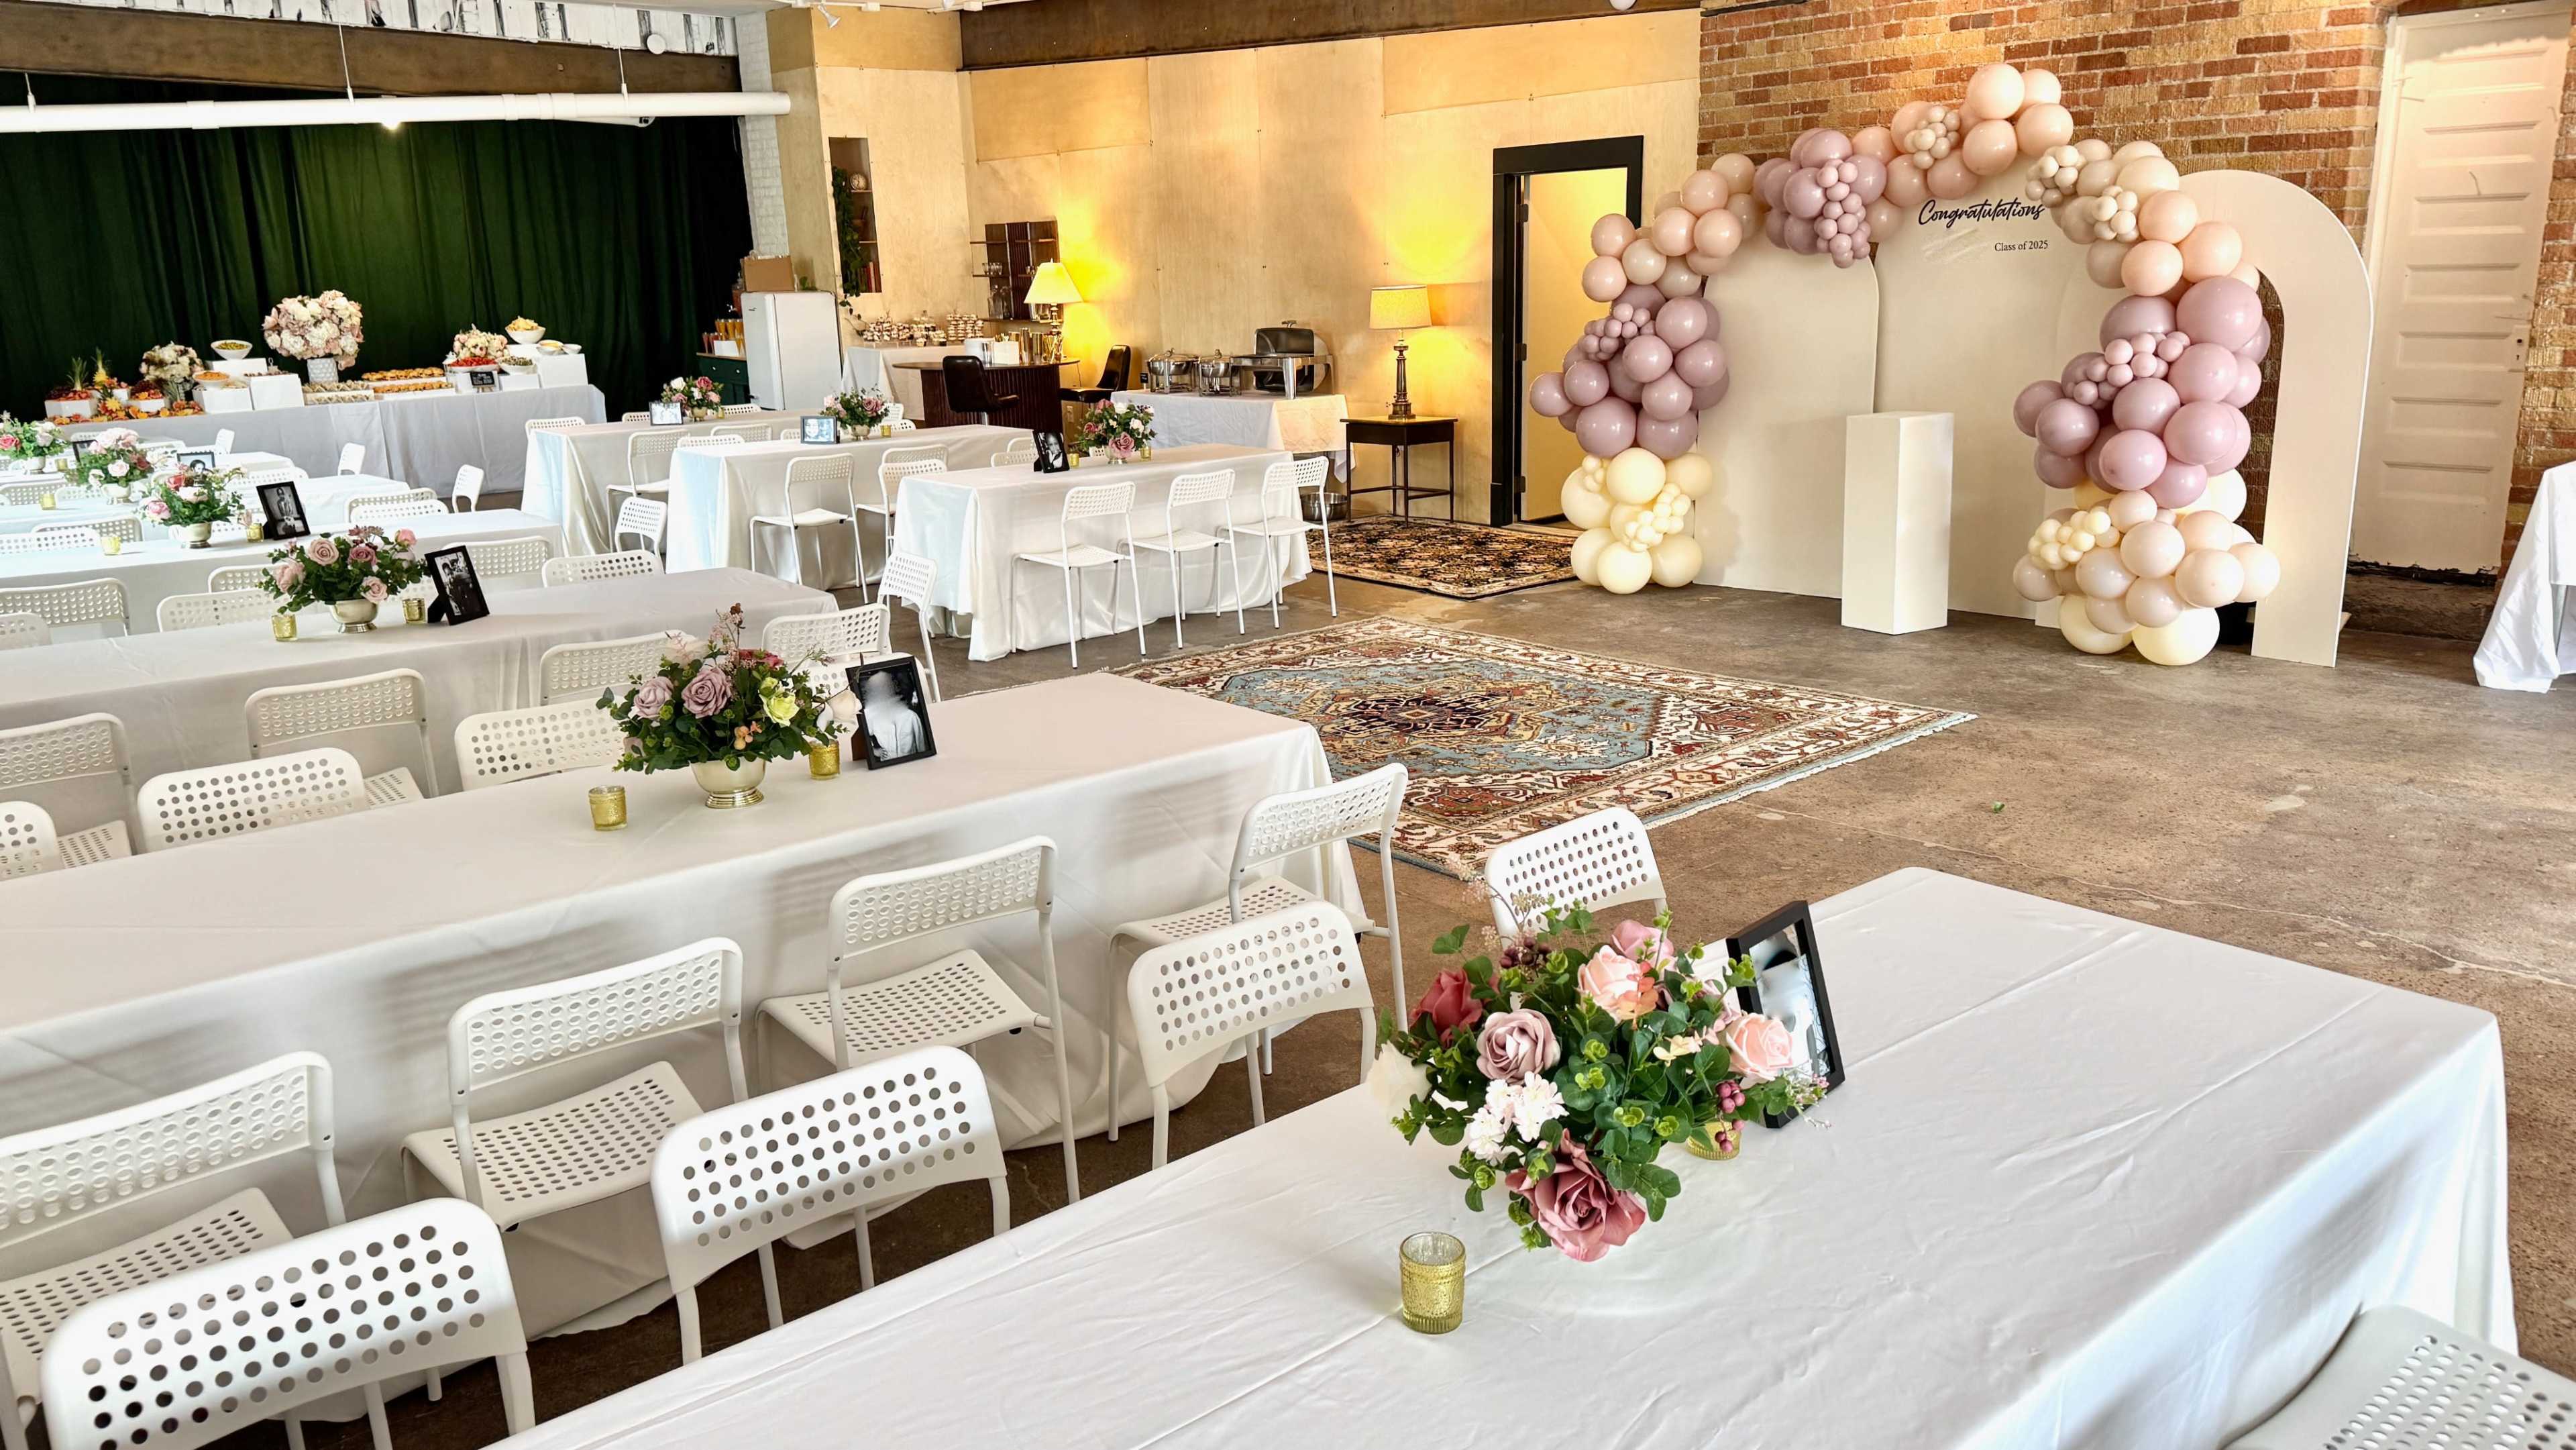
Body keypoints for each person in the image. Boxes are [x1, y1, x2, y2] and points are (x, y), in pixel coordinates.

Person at [861, 668, 927, 761]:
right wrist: (874, 751)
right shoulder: (871, 717)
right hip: (888, 765)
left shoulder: (911, 717)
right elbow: (861, 739)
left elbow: (922, 745)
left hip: (912, 764)